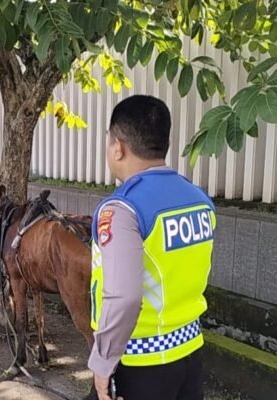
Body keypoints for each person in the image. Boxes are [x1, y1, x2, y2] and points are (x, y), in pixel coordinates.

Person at [88, 95, 216, 400]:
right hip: (189, 353)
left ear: (118, 146)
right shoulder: (198, 199)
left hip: (140, 362)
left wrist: (103, 362)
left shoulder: (123, 208)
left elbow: (124, 295)